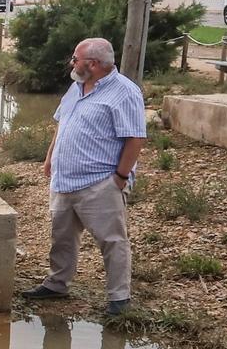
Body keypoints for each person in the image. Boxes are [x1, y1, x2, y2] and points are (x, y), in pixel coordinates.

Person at [21, 37, 146, 315]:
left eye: (75, 59)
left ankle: (119, 299)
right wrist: (50, 157)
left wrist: (120, 177)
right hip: (64, 180)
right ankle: (57, 283)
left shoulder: (125, 92)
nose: (71, 63)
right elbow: (62, 123)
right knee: (61, 237)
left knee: (112, 240)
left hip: (101, 182)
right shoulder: (75, 86)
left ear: (93, 64)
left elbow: (135, 138)